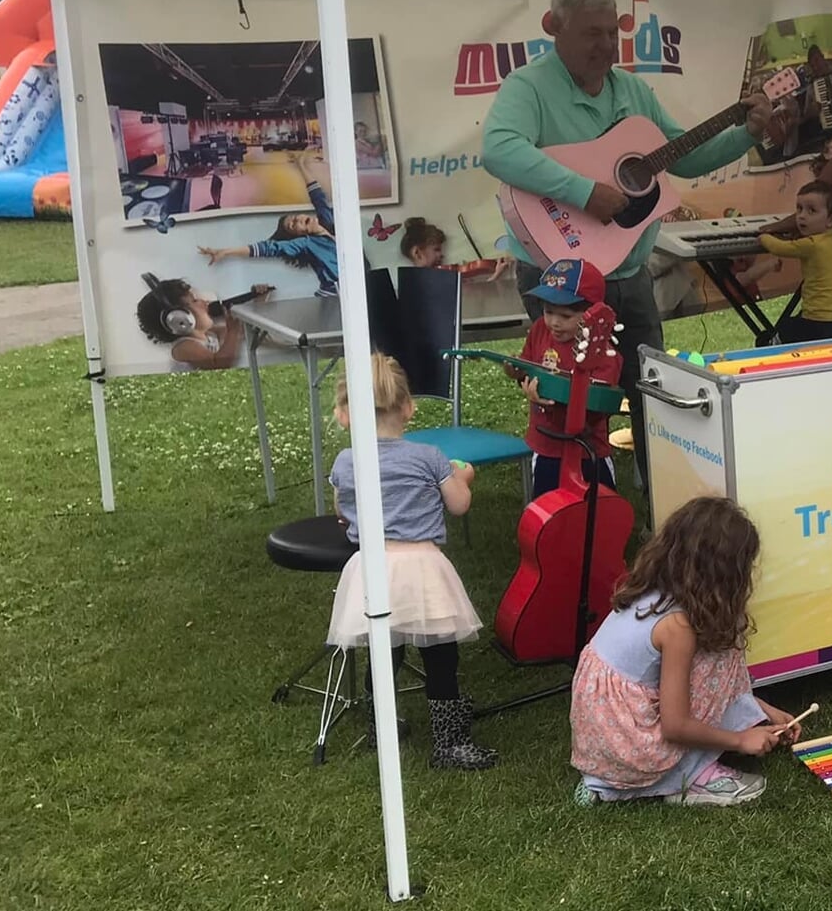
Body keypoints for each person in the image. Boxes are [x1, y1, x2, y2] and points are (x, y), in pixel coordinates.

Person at [483, 0, 777, 494]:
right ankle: (572, 499)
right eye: (591, 33)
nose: (604, 46)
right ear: (555, 29)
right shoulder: (528, 87)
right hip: (563, 280)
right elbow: (500, 149)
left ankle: (658, 490)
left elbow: (681, 154)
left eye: (611, 33)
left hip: (628, 271)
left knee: (650, 390)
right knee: (568, 393)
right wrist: (581, 190)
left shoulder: (633, 91)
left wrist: (747, 132)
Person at [325, 352, 496, 770]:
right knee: (441, 657)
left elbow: (342, 510)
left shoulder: (346, 461)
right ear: (409, 407)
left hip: (372, 568)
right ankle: (450, 743)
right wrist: (463, 477)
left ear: (345, 415)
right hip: (420, 568)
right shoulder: (429, 456)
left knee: (383, 653)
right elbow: (459, 504)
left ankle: (380, 729)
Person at [570, 496, 800, 806]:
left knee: (715, 647)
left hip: (601, 742)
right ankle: (691, 777)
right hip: (628, 748)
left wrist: (759, 709)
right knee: (720, 652)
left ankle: (606, 781)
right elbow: (676, 725)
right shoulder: (678, 626)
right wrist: (740, 739)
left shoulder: (655, 589)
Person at [516, 258, 624, 497]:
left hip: (587, 450)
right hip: (546, 446)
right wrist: (517, 373)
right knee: (548, 517)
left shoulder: (603, 353)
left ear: (593, 315)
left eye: (565, 316)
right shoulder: (539, 331)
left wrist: (560, 395)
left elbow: (598, 408)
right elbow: (525, 368)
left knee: (597, 515)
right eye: (548, 311)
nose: (554, 322)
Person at [199, 155, 338, 296]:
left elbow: (316, 195)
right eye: (293, 225)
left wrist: (301, 164)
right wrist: (226, 252)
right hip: (333, 295)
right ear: (299, 236)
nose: (299, 220)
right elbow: (269, 248)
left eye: (296, 218)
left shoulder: (328, 220)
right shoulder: (306, 244)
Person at [757, 180, 832, 343]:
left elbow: (779, 248)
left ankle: (771, 347)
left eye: (811, 211)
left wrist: (763, 236)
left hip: (818, 320)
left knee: (780, 331)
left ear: (831, 220)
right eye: (799, 209)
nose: (802, 216)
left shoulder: (813, 244)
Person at [135, 278, 273, 371]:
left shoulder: (210, 334)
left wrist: (258, 301)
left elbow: (249, 330)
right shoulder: (183, 347)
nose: (204, 301)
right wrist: (232, 333)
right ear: (179, 318)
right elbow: (219, 364)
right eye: (195, 301)